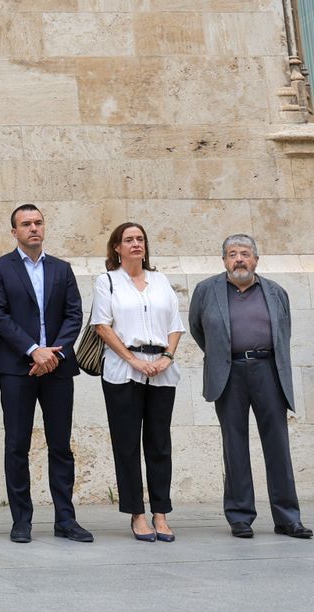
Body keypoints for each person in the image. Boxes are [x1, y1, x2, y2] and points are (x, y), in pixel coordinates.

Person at [188, 233, 311, 539]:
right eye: (232, 254)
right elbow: (197, 328)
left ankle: (287, 518)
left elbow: (284, 332)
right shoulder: (206, 291)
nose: (239, 259)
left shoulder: (275, 291)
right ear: (224, 260)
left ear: (256, 259)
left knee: (278, 445)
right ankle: (241, 517)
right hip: (229, 373)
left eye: (245, 253)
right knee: (235, 445)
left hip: (268, 370)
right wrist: (222, 355)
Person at [0, 204, 91, 544]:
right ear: (14, 232)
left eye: (38, 222)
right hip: (18, 368)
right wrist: (34, 350)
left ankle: (65, 519)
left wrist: (54, 352)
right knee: (17, 444)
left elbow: (75, 314)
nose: (34, 228)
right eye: (26, 224)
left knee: (60, 445)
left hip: (58, 367)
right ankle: (21, 520)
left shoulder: (62, 269)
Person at [92, 222, 183, 543]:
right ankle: (138, 514)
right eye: (128, 240)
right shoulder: (108, 282)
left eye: (140, 239)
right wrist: (133, 361)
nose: (135, 244)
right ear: (116, 247)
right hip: (122, 369)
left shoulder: (161, 280)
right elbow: (102, 325)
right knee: (127, 444)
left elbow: (175, 325)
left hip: (161, 369)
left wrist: (166, 358)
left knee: (159, 443)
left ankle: (161, 512)